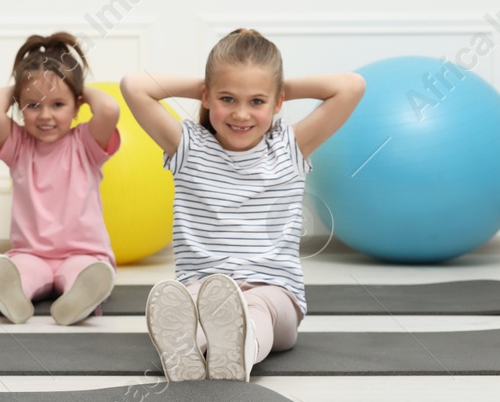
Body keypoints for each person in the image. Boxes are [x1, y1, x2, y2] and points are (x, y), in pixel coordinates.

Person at [121, 28, 365, 381]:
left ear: (277, 103)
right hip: (201, 287)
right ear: (207, 97)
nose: (240, 114)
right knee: (194, 307)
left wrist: (274, 85)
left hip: (273, 292)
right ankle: (189, 352)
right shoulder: (187, 146)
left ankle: (240, 352)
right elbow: (133, 85)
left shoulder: (290, 147)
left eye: (257, 101)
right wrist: (217, 83)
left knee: (255, 309)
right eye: (227, 98)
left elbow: (352, 86)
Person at [0, 32, 122, 325]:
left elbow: (109, 108)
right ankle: (14, 294)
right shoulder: (18, 146)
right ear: (20, 106)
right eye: (33, 105)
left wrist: (76, 89)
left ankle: (79, 297)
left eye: (58, 104)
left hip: (84, 252)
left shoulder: (86, 143)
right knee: (21, 271)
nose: (45, 115)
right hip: (32, 254)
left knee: (81, 273)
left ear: (78, 105)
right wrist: (23, 86)